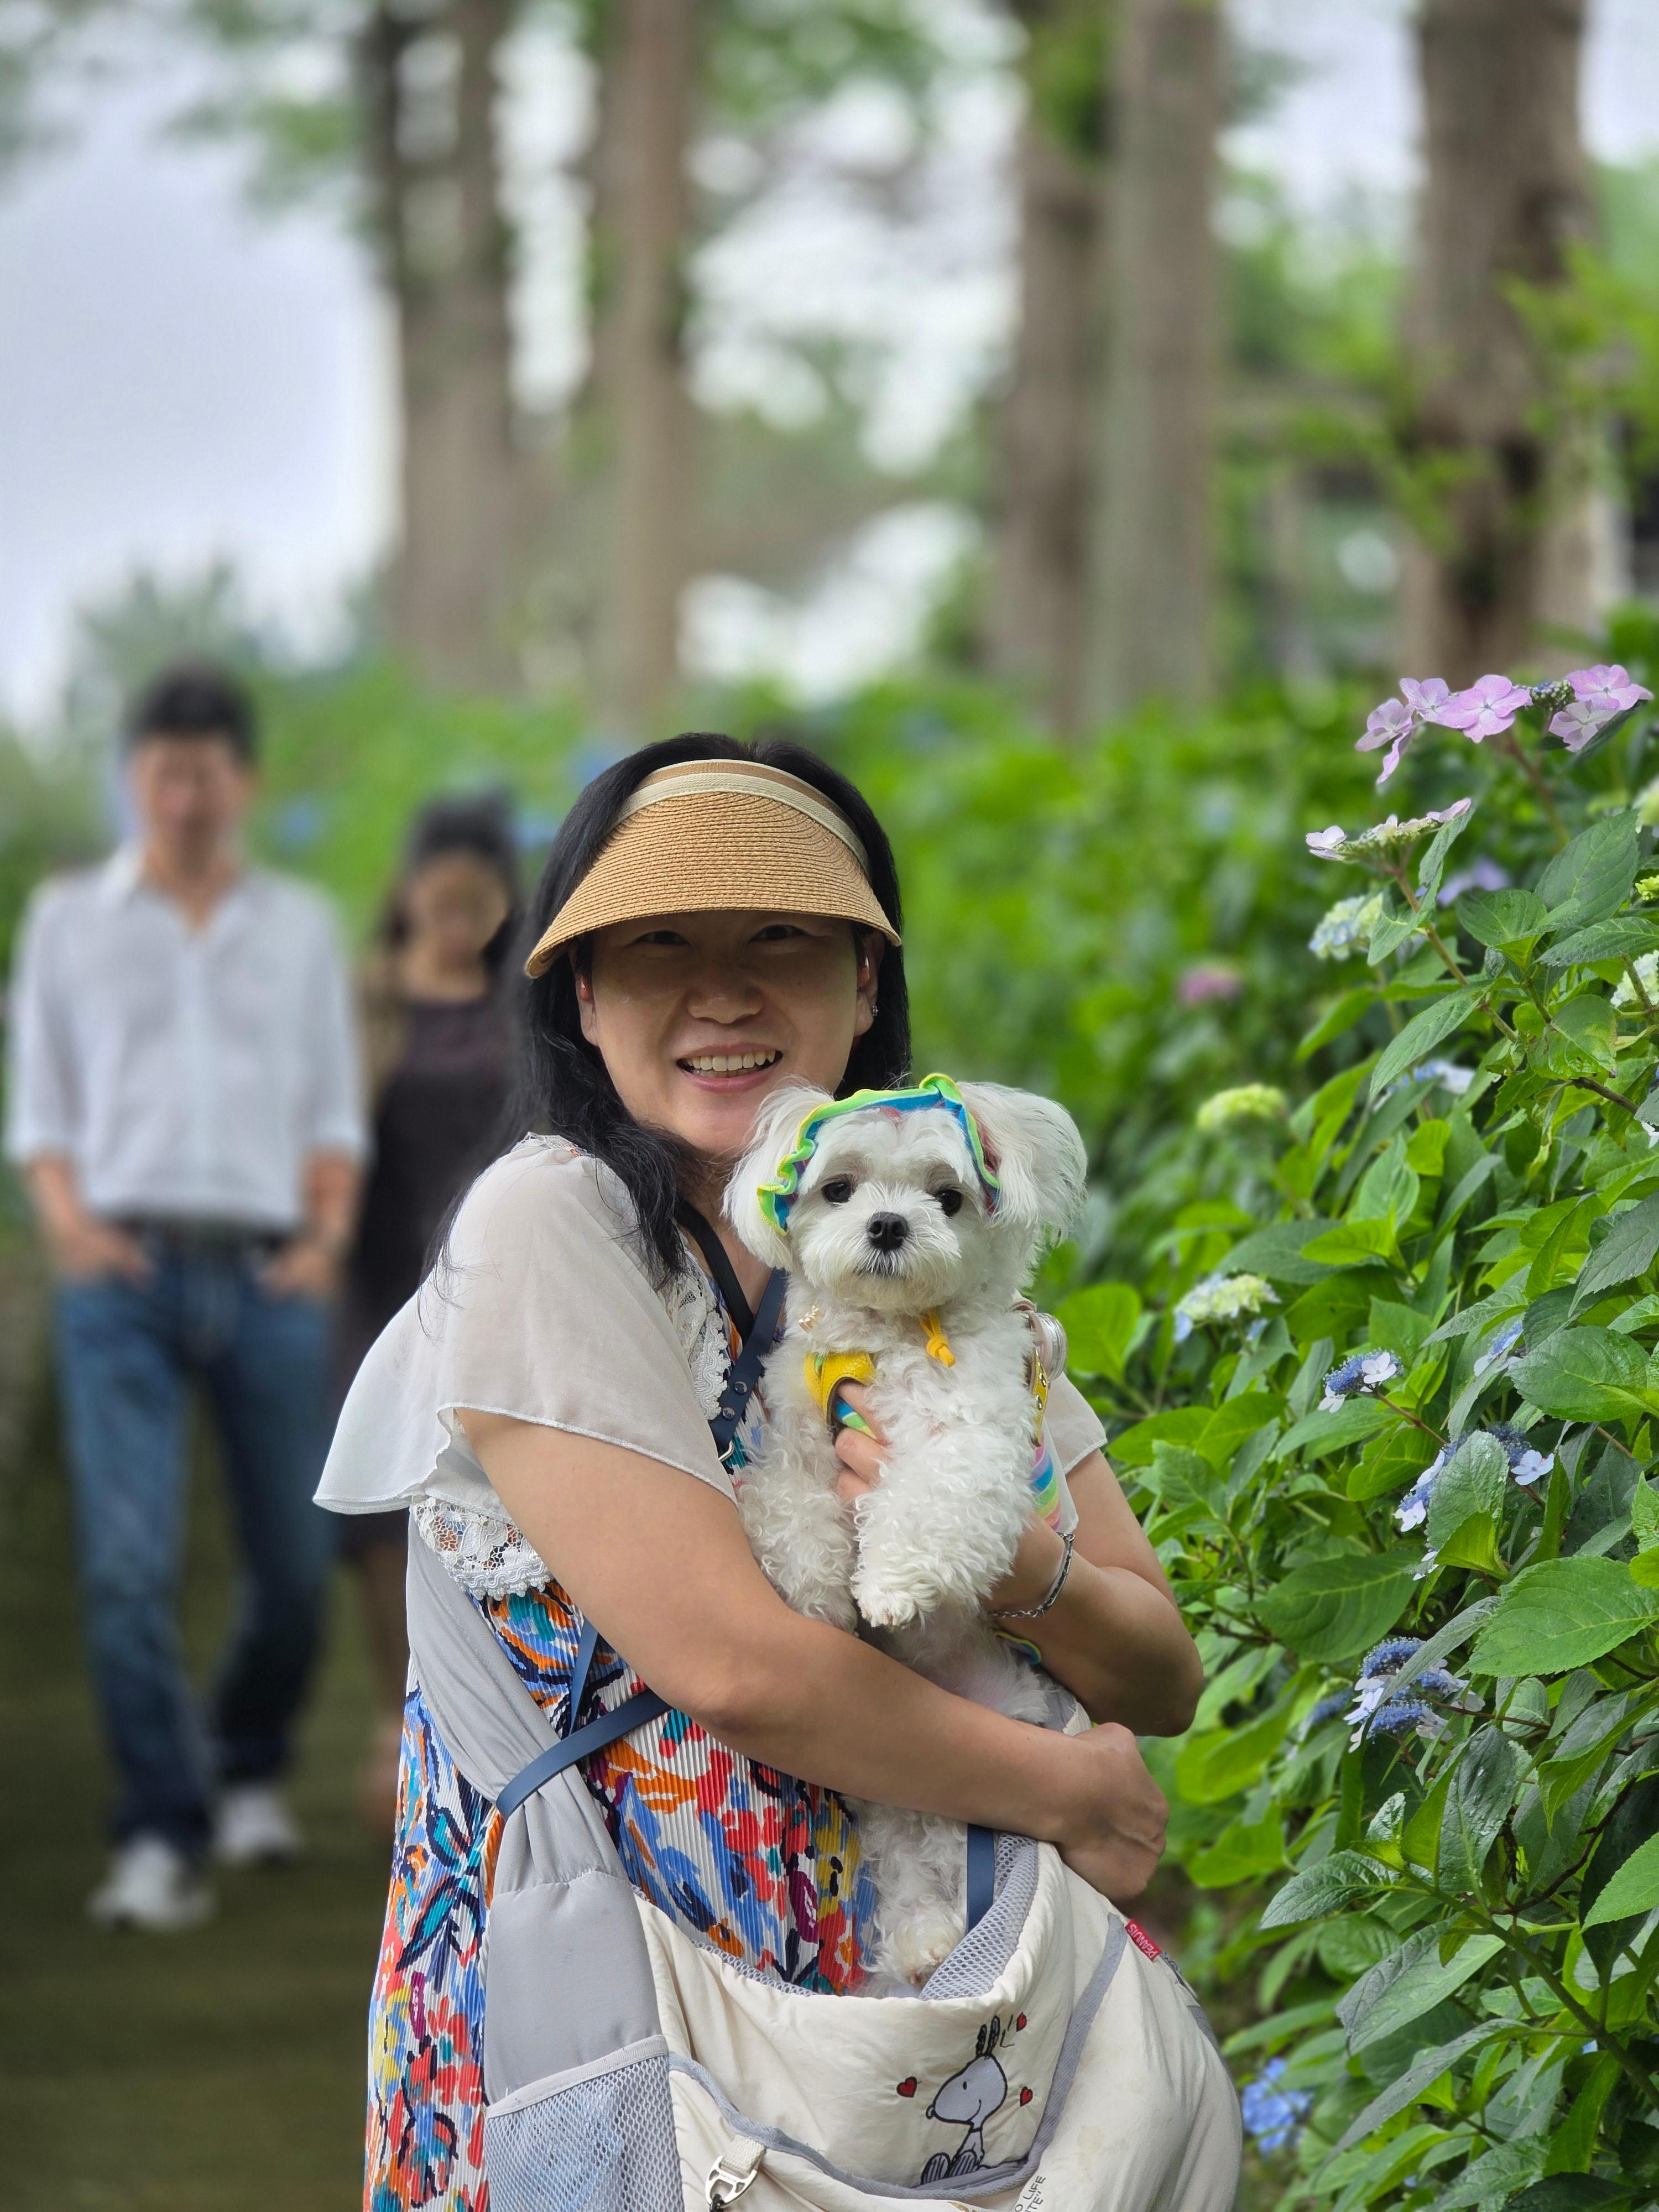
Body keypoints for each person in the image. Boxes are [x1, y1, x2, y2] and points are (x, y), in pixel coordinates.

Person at [317, 735, 1206, 2207]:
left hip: (885, 2029)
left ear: (866, 984)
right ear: (583, 997)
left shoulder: (927, 1247)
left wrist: (1014, 1561)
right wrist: (1071, 1794)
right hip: (607, 1996)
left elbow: (1162, 1670)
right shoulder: (550, 1224)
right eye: (662, 943)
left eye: (781, 939)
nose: (724, 992)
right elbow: (732, 1664)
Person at [6, 661, 366, 1931]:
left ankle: (246, 1758)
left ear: (243, 782)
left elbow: (331, 1101)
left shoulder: (298, 926)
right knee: (122, 1566)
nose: (186, 792)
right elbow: (39, 1102)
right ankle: (160, 1827)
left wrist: (323, 1240)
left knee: (295, 1558)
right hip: (125, 1272)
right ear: (134, 778)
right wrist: (68, 1229)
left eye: (209, 770)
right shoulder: (69, 921)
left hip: (269, 1266)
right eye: (164, 770)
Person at [336, 794, 520, 1826]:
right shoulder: (365, 999)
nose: (455, 919)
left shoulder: (530, 1001)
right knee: (381, 1517)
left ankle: (470, 1723)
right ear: (406, 895)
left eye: (476, 899)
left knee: (482, 1493)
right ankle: (394, 1713)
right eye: (438, 897)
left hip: (487, 1289)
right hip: (373, 1281)